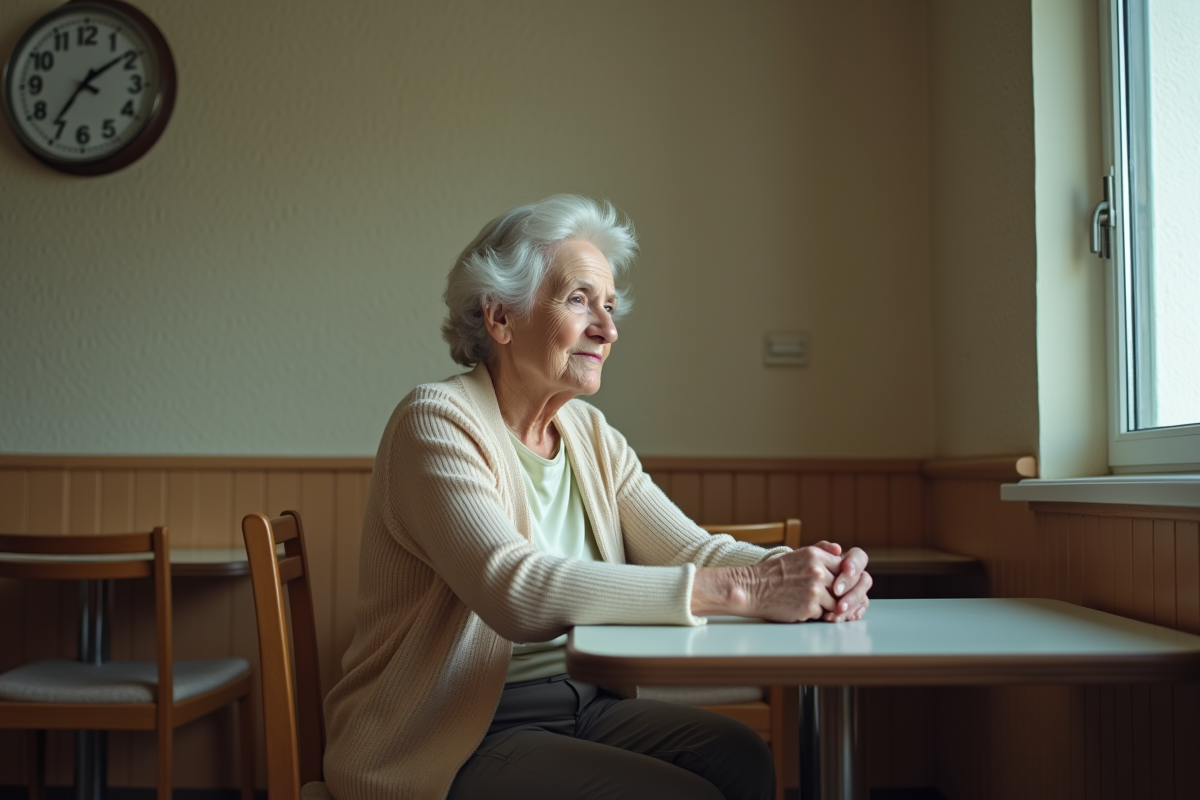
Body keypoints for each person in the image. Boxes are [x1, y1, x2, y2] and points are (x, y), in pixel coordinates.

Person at [322, 194, 872, 800]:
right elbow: (515, 590)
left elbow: (688, 547)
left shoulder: (589, 434)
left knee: (740, 757)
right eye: (580, 300)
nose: (608, 328)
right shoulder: (435, 421)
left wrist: (806, 574)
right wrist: (751, 590)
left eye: (609, 306)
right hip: (449, 733)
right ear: (500, 317)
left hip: (583, 702)